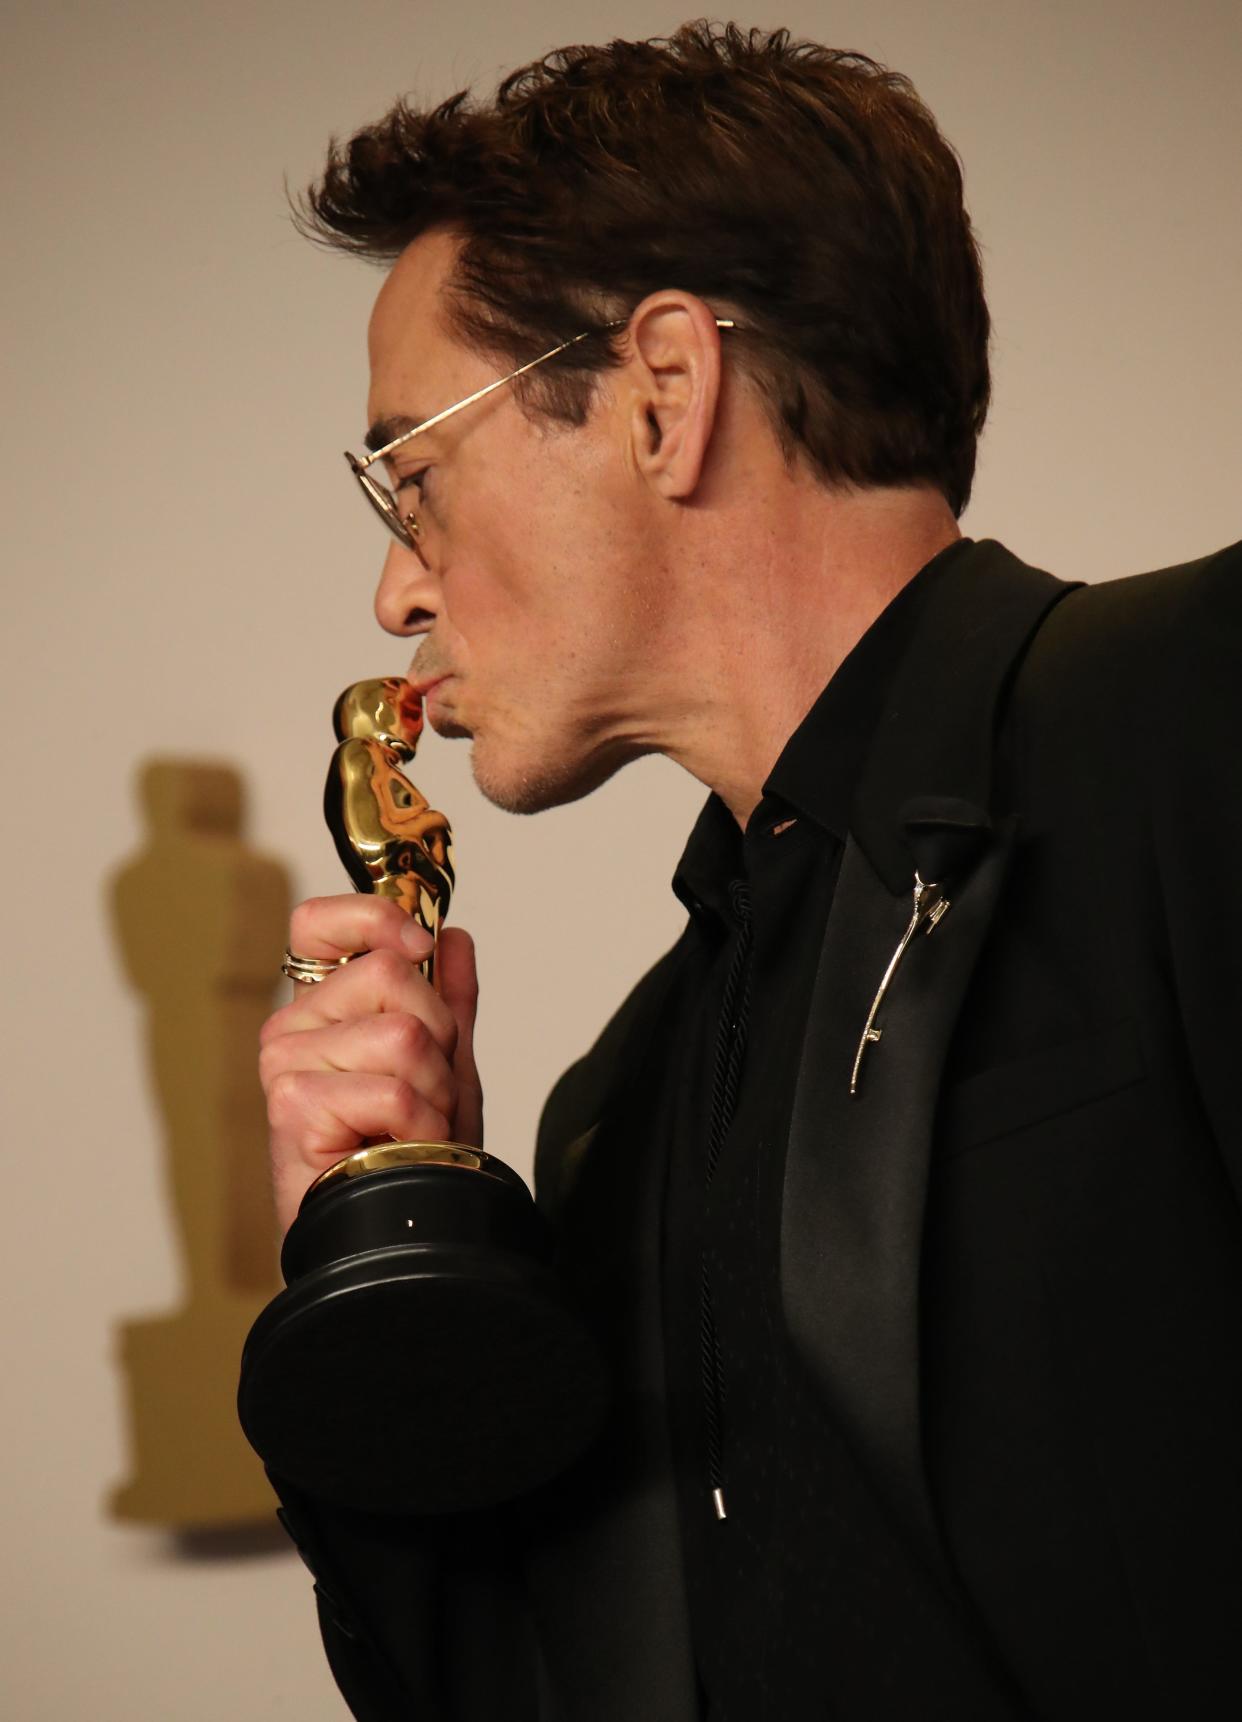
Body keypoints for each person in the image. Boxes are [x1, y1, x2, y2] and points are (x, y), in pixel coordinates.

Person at [257, 22, 1242, 1721]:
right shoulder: (608, 1107)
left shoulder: (1198, 711)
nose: (394, 595)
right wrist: (385, 1269)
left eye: (412, 473)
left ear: (663, 392)